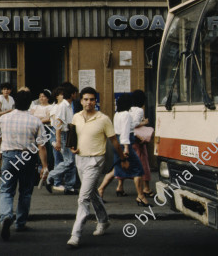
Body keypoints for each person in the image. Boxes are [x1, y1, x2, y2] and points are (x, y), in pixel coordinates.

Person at [66, 87, 129, 248]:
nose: (89, 102)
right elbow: (72, 136)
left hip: (95, 161)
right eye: (86, 99)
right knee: (92, 193)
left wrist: (122, 158)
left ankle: (75, 235)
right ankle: (104, 220)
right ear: (81, 101)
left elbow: (114, 140)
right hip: (80, 159)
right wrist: (72, 147)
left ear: (96, 101)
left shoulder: (103, 119)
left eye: (92, 99)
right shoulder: (76, 117)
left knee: (83, 198)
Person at [0, 90, 49, 240]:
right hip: (28, 158)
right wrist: (45, 166)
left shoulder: (3, 119)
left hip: (8, 157)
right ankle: (21, 222)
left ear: (14, 103)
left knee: (6, 190)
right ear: (30, 104)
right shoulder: (35, 121)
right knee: (25, 191)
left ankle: (6, 216)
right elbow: (41, 146)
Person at [97, 93, 149, 207]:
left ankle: (100, 190)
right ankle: (140, 196)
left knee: (116, 169)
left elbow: (122, 129)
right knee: (138, 170)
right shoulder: (126, 114)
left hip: (117, 142)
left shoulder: (117, 114)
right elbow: (125, 131)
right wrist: (126, 148)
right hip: (125, 143)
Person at [45, 86, 77, 195]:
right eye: (75, 93)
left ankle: (69, 186)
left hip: (67, 134)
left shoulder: (67, 106)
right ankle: (51, 176)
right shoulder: (63, 106)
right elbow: (58, 123)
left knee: (71, 161)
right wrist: (58, 140)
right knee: (69, 161)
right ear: (72, 94)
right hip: (63, 134)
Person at [130, 89, 154, 196]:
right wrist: (144, 122)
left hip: (129, 138)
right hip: (138, 139)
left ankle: (119, 186)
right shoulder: (139, 110)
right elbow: (134, 124)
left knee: (126, 162)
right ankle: (146, 188)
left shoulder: (129, 109)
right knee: (143, 163)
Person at [29, 89, 54, 181]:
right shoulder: (35, 107)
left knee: (45, 149)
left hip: (46, 130)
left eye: (43, 96)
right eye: (40, 96)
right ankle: (36, 171)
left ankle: (46, 169)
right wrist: (40, 119)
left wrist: (37, 119)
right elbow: (30, 116)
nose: (41, 98)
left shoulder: (51, 107)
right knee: (34, 150)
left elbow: (48, 118)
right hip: (34, 130)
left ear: (47, 97)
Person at [0, 82, 15, 177]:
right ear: (2, 90)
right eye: (4, 89)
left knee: (5, 143)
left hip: (8, 122)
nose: (6, 91)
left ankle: (1, 166)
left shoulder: (12, 99)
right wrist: (9, 111)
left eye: (8, 89)